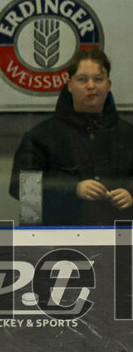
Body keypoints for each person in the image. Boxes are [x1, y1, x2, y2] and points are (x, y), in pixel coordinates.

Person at [9, 50, 133, 226]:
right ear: (69, 85)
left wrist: (131, 193)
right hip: (57, 243)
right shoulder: (40, 136)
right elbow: (19, 188)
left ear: (108, 84)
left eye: (98, 79)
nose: (91, 86)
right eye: (82, 79)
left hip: (121, 241)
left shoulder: (128, 135)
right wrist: (73, 188)